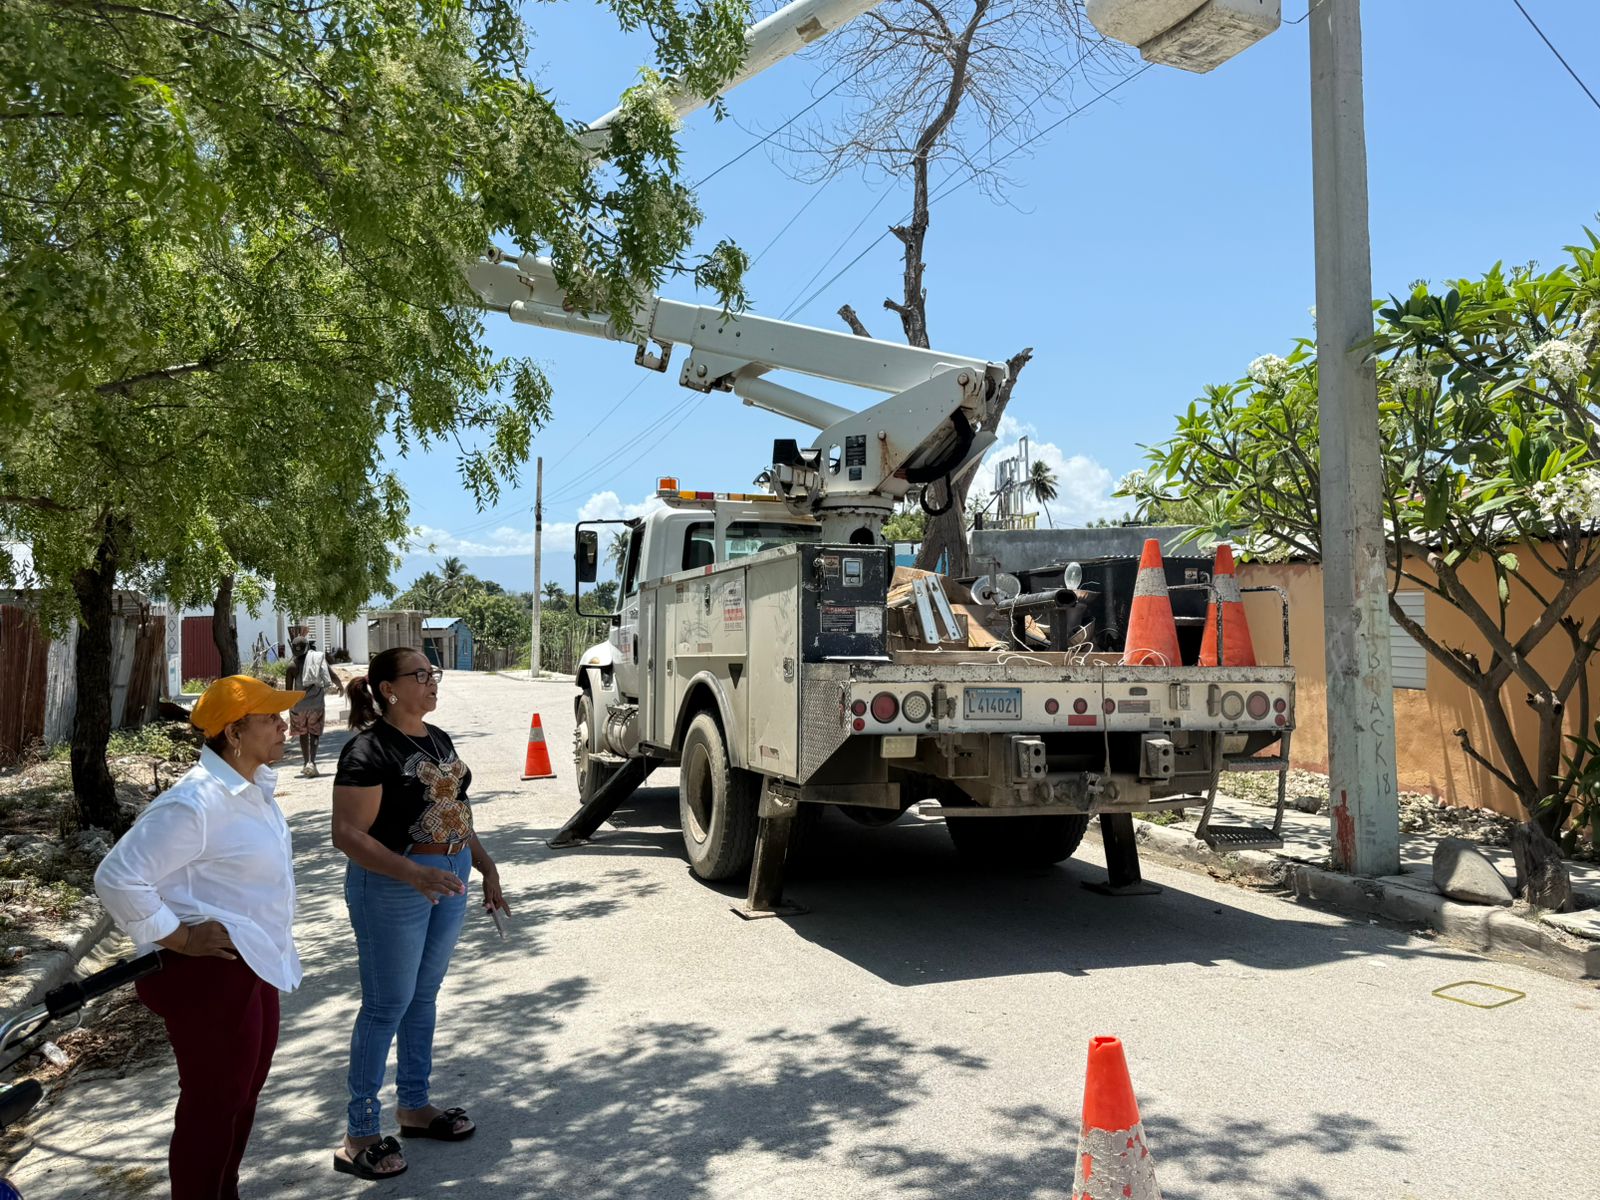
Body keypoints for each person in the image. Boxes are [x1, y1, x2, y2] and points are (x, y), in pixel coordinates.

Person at [94, 676, 306, 1200]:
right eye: (271, 719)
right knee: (213, 1104)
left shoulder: (251, 790)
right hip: (207, 974)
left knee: (242, 1094)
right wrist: (181, 938)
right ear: (233, 732)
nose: (284, 727)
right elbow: (117, 878)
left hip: (254, 961)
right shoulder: (195, 803)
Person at [330, 646, 508, 1181]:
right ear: (389, 689)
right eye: (421, 674)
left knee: (422, 996)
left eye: (434, 673)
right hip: (393, 884)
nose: (433, 682)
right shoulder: (367, 750)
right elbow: (347, 835)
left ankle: (413, 1106)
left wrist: (486, 866)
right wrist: (412, 874)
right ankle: (359, 1134)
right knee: (386, 1005)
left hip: (448, 876)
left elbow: (455, 812)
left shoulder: (438, 739)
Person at [287, 635, 342, 777]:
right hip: (316, 705)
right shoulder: (317, 660)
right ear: (307, 647)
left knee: (303, 734)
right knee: (314, 734)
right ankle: (312, 762)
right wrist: (341, 687)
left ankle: (306, 762)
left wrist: (290, 707)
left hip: (299, 706)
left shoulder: (292, 666)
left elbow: (288, 691)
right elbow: (332, 675)